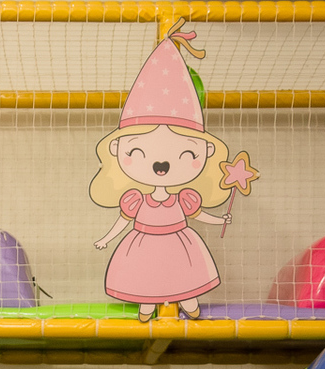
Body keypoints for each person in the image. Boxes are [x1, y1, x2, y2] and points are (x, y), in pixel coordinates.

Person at [90, 19, 238, 323]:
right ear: (117, 149)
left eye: (186, 153)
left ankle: (188, 300)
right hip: (144, 241)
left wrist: (219, 218)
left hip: (178, 241)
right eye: (138, 152)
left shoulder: (184, 198)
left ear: (206, 151)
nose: (161, 165)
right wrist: (107, 238)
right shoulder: (135, 199)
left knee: (184, 273)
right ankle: (147, 304)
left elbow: (198, 215)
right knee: (146, 275)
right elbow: (123, 220)